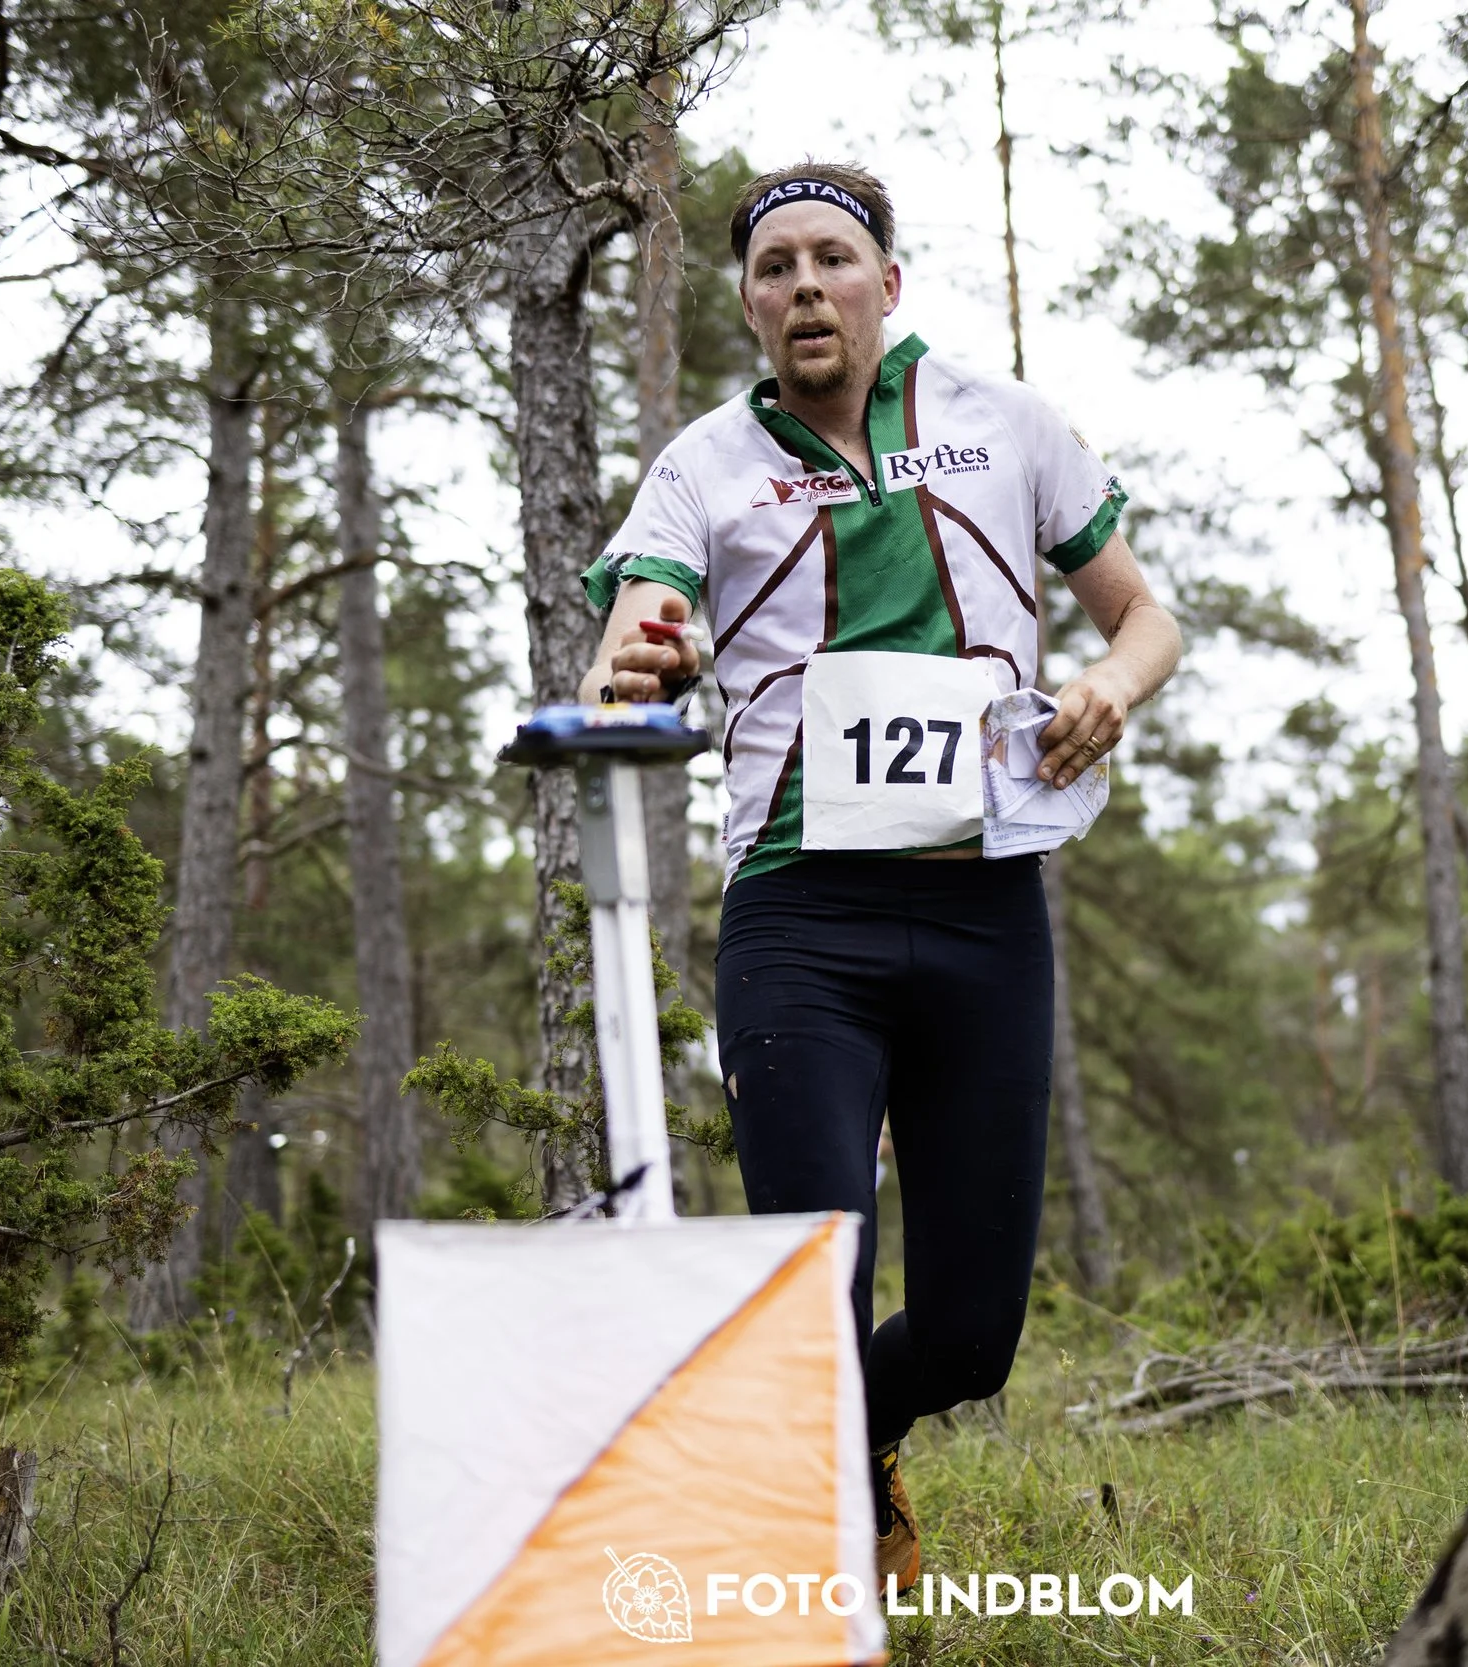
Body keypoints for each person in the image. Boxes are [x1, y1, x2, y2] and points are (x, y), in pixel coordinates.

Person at [578, 160, 1181, 1588]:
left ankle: (865, 1441)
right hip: (800, 912)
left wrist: (1111, 681)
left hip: (984, 906)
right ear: (748, 302)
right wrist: (638, 656)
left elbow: (1147, 612)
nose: (804, 285)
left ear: (886, 284)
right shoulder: (706, 464)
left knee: (972, 1334)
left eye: (831, 259)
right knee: (811, 1287)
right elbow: (642, 625)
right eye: (775, 265)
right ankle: (799, 1564)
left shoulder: (1007, 425)